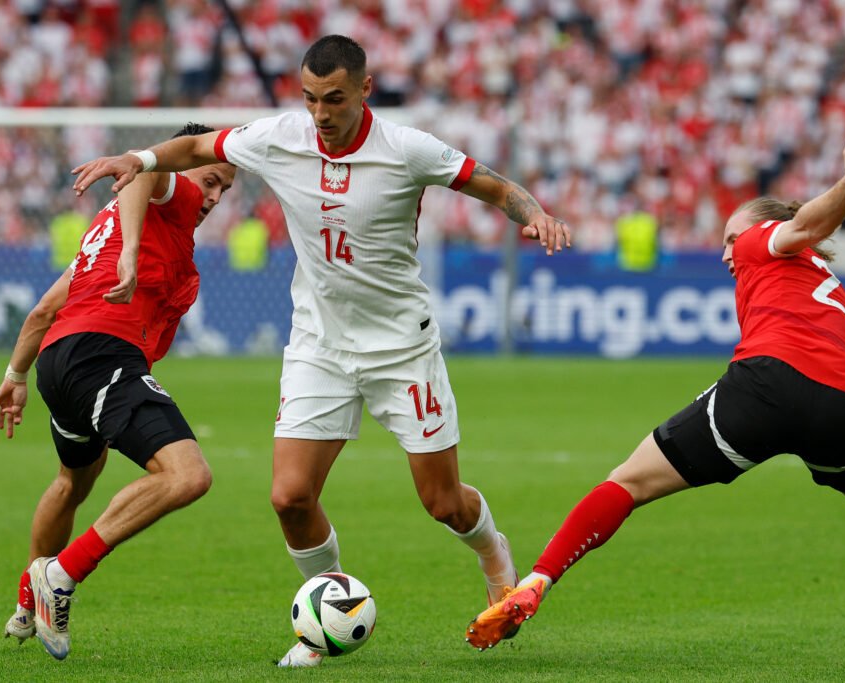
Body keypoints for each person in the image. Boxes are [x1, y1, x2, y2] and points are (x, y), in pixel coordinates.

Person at [70, 35, 572, 668]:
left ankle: (494, 556)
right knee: (290, 497)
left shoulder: (408, 149)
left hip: (401, 349)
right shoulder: (280, 136)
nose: (320, 113)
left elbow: (495, 188)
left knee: (443, 503)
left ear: (364, 90)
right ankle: (325, 616)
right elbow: (197, 147)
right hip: (319, 345)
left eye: (333, 99)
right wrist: (139, 158)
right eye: (309, 98)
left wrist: (537, 215)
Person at [465, 131, 845, 668]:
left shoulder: (760, 240)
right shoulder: (835, 292)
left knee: (628, 481)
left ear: (762, 227)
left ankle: (533, 584)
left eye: (728, 238)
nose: (725, 252)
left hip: (765, 385)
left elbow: (810, 224)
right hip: (840, 403)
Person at [0, 123, 236, 660]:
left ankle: (27, 602)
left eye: (224, 191)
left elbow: (43, 311)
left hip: (61, 361)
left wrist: (15, 377)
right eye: (212, 180)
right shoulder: (169, 188)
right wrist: (129, 251)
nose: (213, 197)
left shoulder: (107, 236)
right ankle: (62, 573)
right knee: (188, 475)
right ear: (185, 161)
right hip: (101, 353)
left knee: (72, 481)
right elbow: (140, 174)